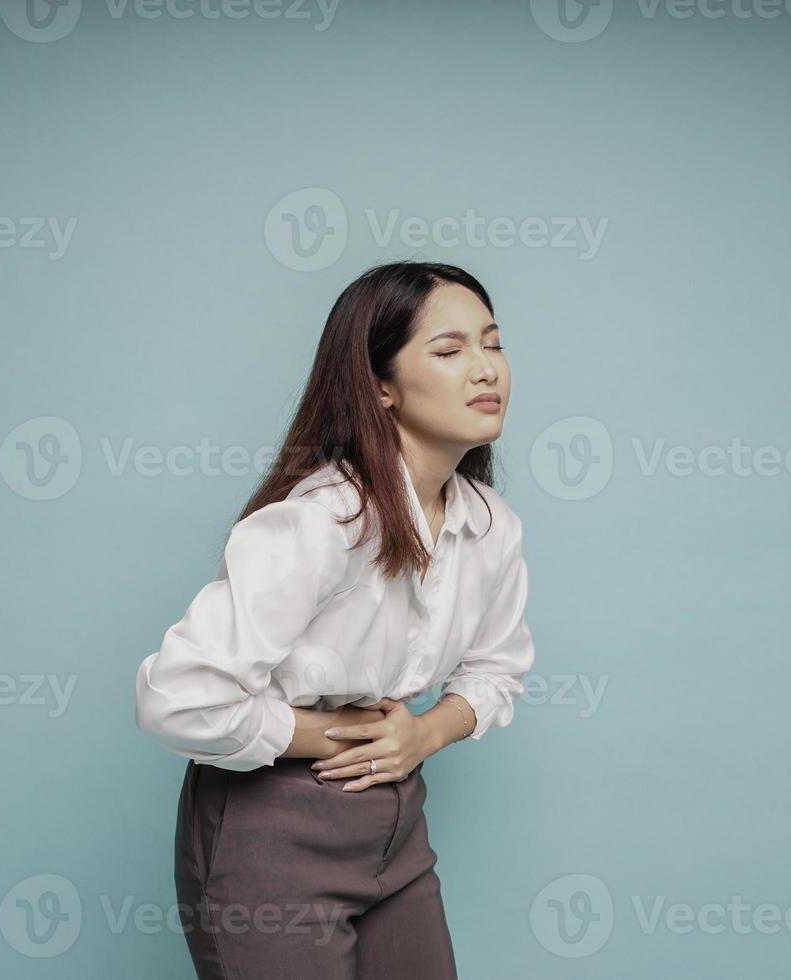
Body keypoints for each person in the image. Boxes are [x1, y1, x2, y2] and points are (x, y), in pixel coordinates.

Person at [135, 260, 536, 979]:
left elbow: (497, 667)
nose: (486, 370)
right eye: (449, 352)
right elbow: (177, 698)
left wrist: (420, 734)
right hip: (270, 832)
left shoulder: (491, 526)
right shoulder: (320, 524)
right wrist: (338, 735)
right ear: (380, 385)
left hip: (395, 831)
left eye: (493, 343)